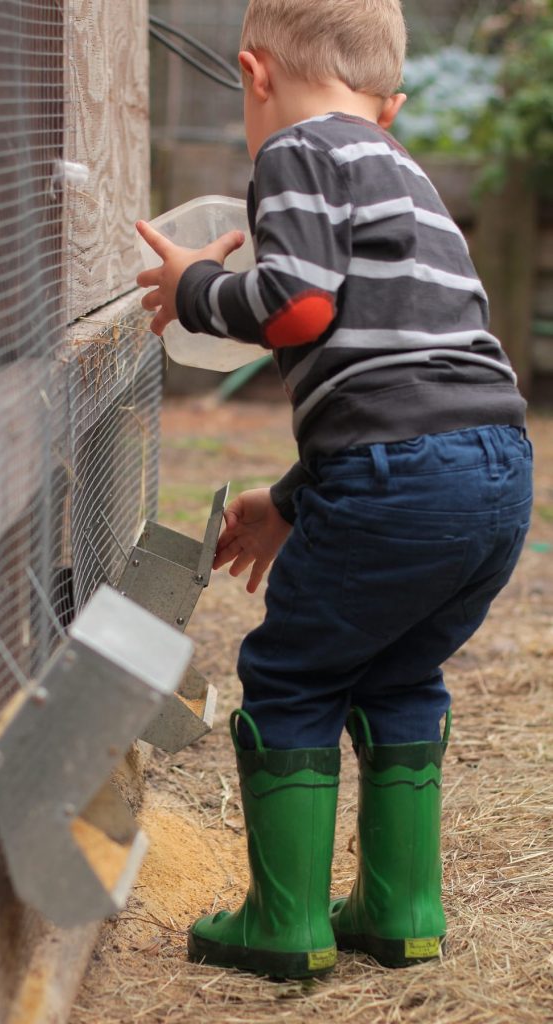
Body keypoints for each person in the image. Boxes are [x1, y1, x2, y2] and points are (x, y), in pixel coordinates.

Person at [136, 0, 533, 979]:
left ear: (253, 72)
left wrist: (192, 287)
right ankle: (400, 911)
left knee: (290, 677)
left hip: (396, 469)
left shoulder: (296, 152)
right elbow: (402, 376)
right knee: (396, 672)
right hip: (494, 473)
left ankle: (283, 925)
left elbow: (299, 305)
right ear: (387, 103)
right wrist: (293, 496)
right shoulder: (410, 180)